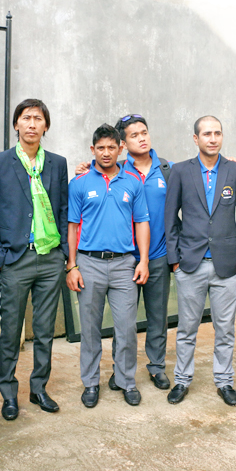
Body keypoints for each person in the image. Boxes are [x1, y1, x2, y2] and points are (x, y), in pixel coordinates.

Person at [0, 98, 69, 421]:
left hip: (50, 258)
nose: (32, 124)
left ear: (46, 126)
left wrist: (63, 253)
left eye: (38, 118)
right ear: (16, 124)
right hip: (15, 259)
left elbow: (63, 209)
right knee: (10, 330)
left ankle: (39, 388)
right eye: (26, 118)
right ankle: (8, 393)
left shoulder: (57, 163)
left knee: (44, 330)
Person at [75, 114, 173, 391]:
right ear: (123, 144)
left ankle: (156, 366)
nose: (141, 138)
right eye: (134, 135)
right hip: (125, 258)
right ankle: (119, 372)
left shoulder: (168, 169)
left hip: (156, 255)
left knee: (157, 316)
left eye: (144, 132)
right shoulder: (116, 169)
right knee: (124, 323)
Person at [164, 115, 236, 406]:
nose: (213, 138)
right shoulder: (180, 171)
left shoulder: (235, 170)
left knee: (225, 328)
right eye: (206, 134)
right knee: (187, 329)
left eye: (217, 133)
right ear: (196, 139)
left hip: (227, 265)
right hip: (189, 264)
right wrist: (174, 259)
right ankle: (182, 380)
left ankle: (225, 382)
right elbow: (170, 217)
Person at [67, 124, 151, 407]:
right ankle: (91, 383)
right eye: (100, 148)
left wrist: (143, 261)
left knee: (126, 328)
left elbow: (142, 223)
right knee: (90, 329)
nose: (106, 153)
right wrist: (72, 265)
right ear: (93, 150)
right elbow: (72, 226)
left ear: (120, 148)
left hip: (124, 264)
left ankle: (126, 380)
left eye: (111, 147)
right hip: (89, 263)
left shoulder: (133, 182)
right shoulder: (79, 183)